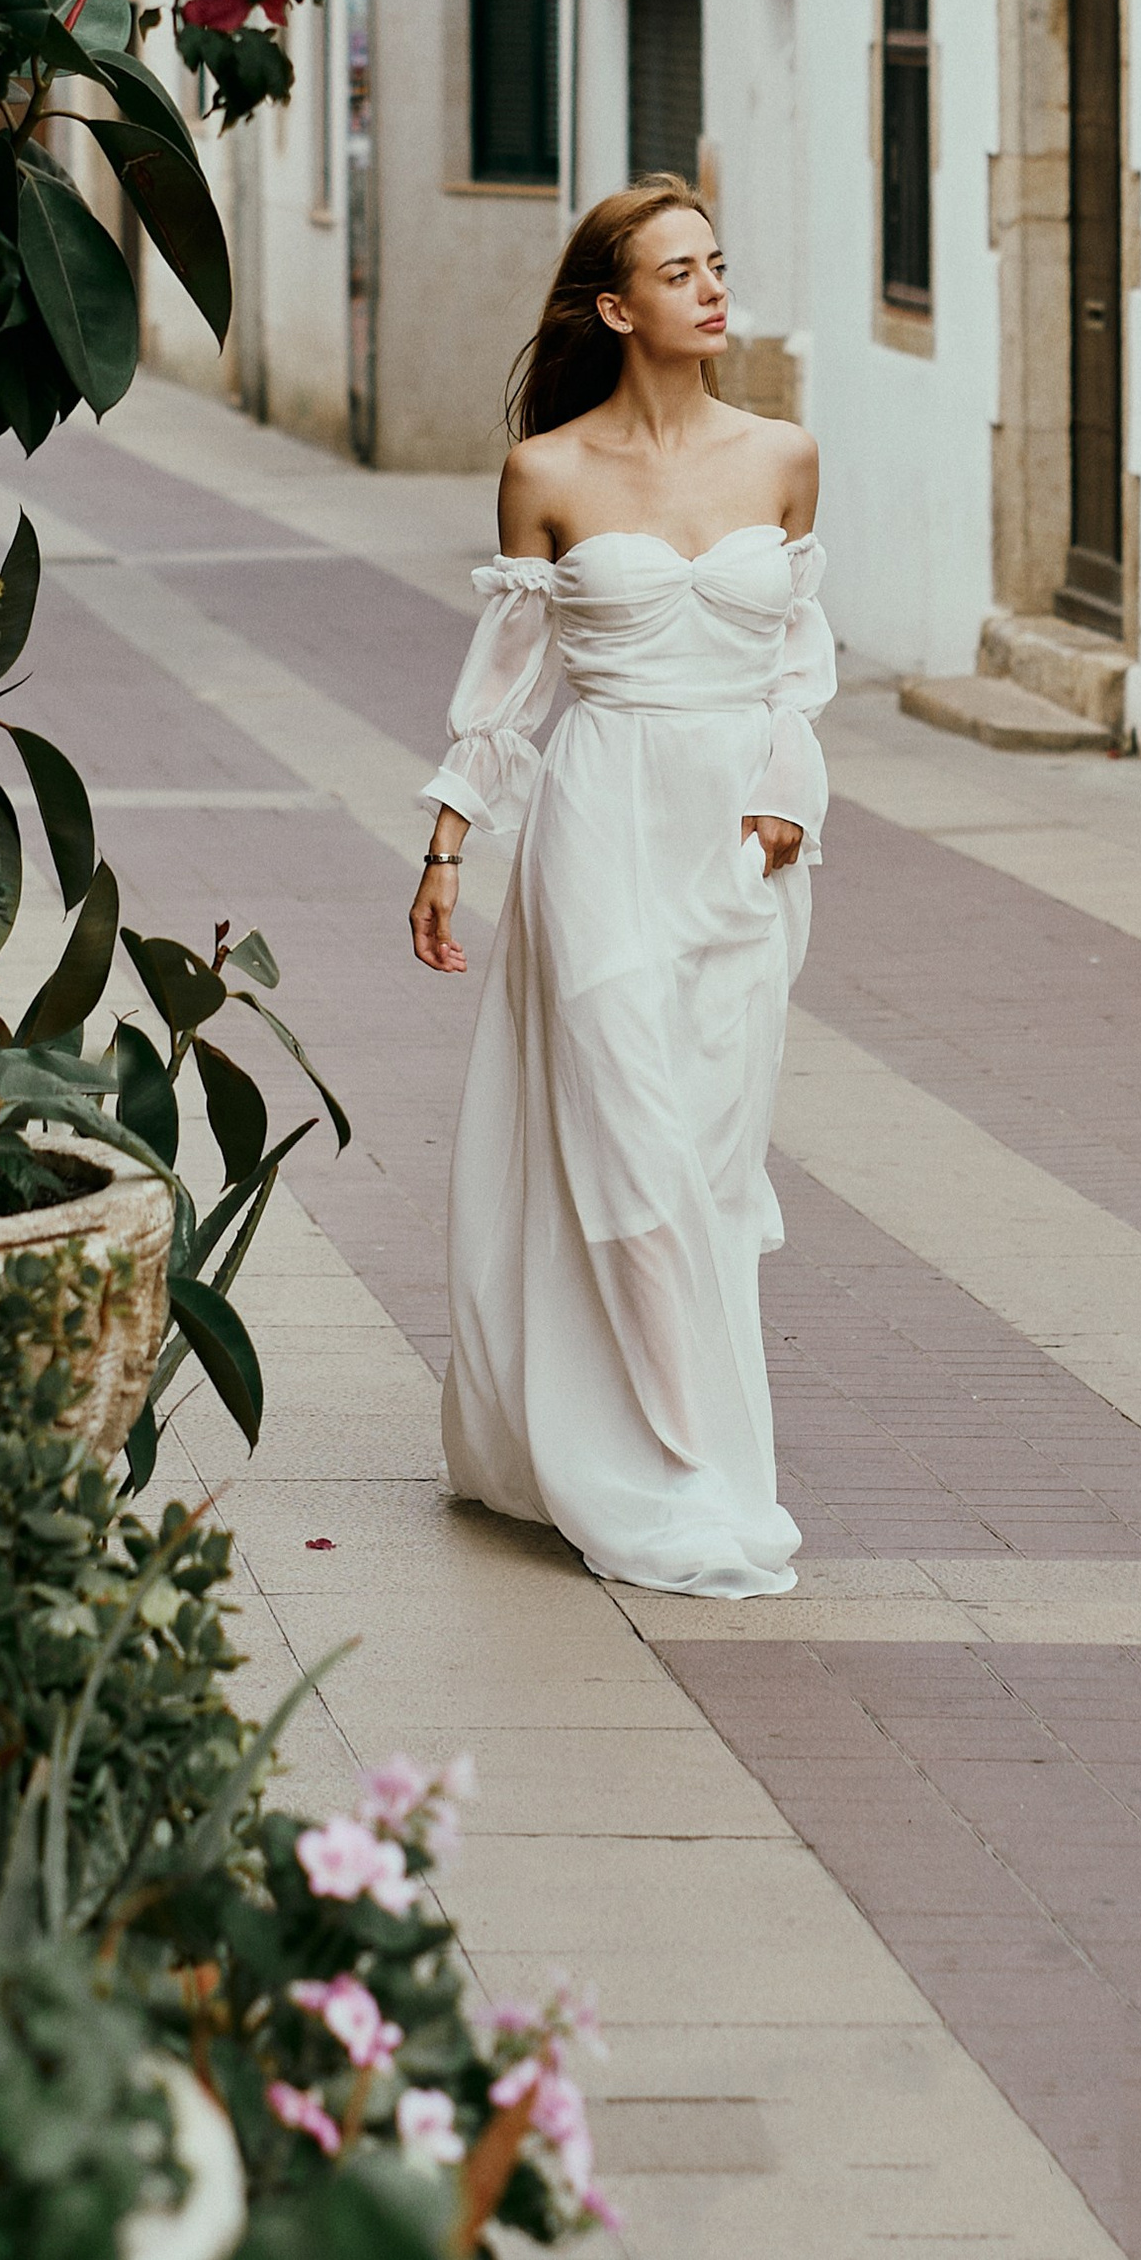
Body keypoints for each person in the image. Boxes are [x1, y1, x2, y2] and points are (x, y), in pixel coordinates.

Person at [409, 178, 831, 1598]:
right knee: (627, 1141)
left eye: (718, 263)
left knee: (709, 1161)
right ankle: (674, 1472)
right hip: (598, 827)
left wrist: (788, 784)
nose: (714, 290)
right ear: (615, 306)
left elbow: (796, 670)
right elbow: (510, 691)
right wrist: (451, 840)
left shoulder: (783, 456)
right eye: (678, 271)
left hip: (738, 844)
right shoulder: (550, 472)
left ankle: (691, 1443)